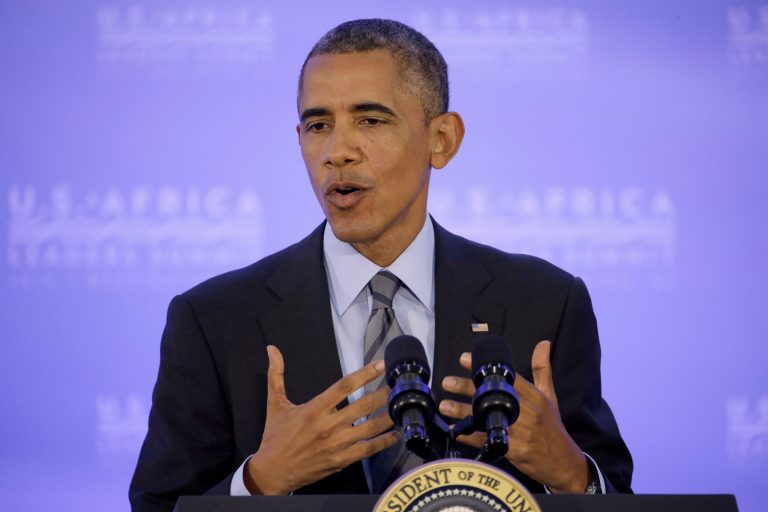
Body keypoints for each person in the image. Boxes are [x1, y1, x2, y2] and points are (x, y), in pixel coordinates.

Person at [129, 18, 633, 511]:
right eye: (318, 125)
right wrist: (260, 482)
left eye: (370, 120)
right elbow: (158, 506)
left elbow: (617, 496)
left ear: (442, 140)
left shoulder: (545, 303)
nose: (337, 151)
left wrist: (570, 474)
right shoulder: (215, 320)